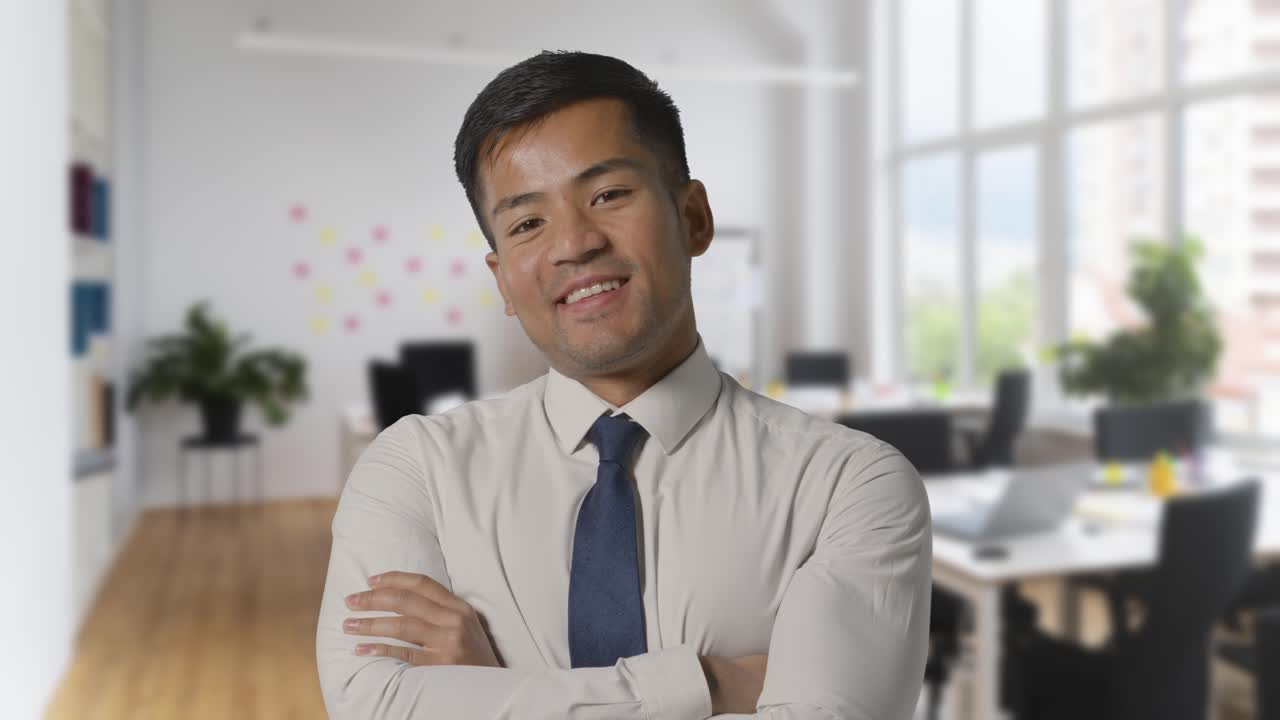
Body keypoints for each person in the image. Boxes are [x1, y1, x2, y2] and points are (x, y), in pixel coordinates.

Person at [316, 50, 931, 719]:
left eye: (607, 195)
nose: (574, 244)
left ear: (693, 217)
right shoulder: (415, 469)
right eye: (527, 223)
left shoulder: (848, 484)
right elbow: (377, 708)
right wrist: (713, 684)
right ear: (503, 282)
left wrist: (492, 689)